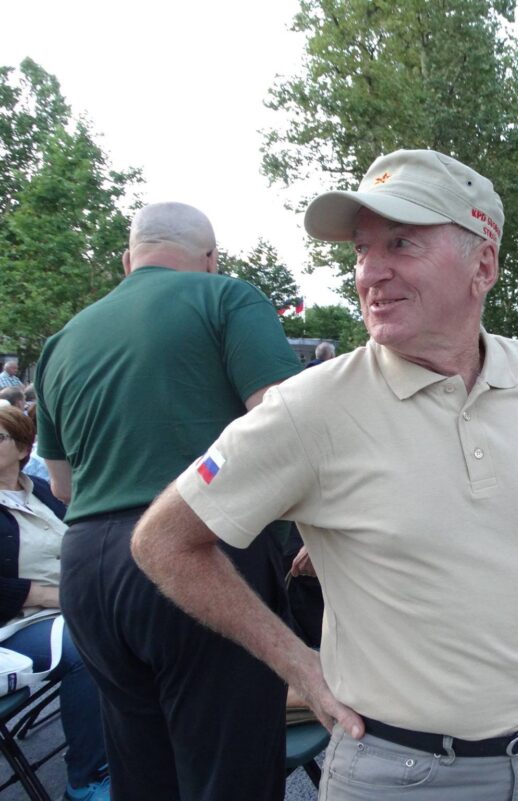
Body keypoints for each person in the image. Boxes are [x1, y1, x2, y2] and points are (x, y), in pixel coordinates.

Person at [128, 150, 518, 801]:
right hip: (403, 774)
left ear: (484, 265)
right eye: (362, 249)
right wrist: (297, 664)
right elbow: (162, 540)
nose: (370, 272)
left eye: (402, 243)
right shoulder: (310, 408)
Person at [35, 202, 303, 801]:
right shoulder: (226, 297)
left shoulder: (62, 340)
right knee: (229, 777)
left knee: (142, 773)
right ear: (211, 258)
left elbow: (62, 486)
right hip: (201, 554)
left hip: (89, 569)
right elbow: (283, 425)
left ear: (127, 260)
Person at [0, 406, 109, 801]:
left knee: (148, 616)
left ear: (22, 448)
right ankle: (86, 779)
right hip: (17, 623)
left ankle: (142, 741)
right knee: (90, 646)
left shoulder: (43, 490)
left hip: (72, 606)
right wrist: (55, 596)